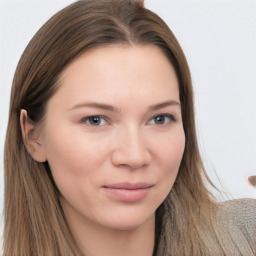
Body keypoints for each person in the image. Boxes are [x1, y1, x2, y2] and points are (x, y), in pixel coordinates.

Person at [3, 0, 256, 255]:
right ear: (33, 136)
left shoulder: (245, 236)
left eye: (160, 119)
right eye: (95, 120)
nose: (134, 156)